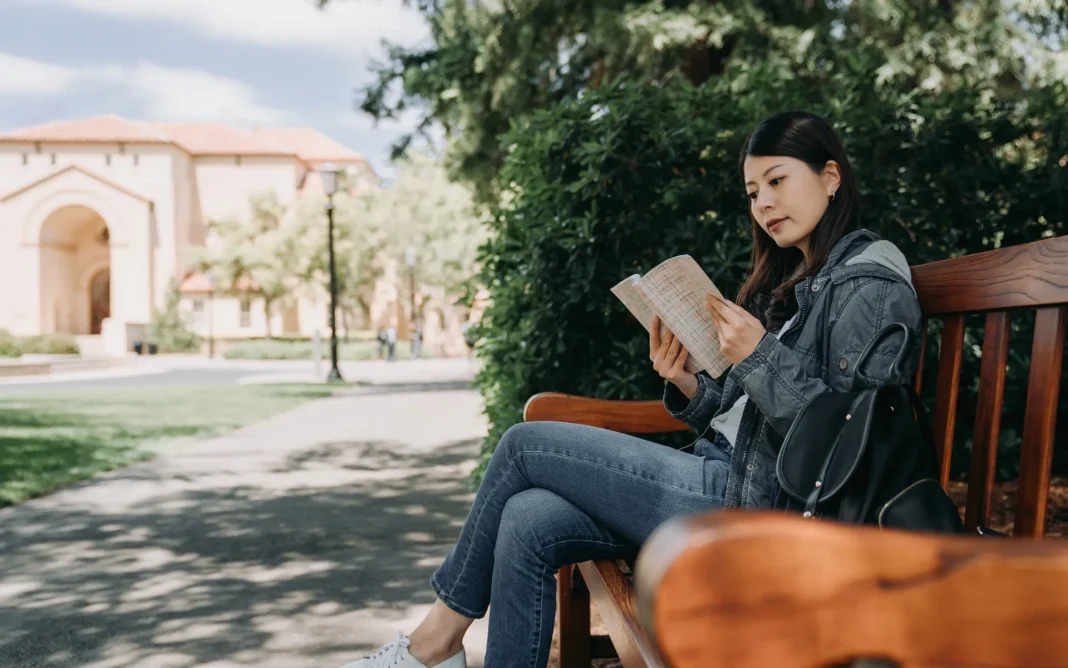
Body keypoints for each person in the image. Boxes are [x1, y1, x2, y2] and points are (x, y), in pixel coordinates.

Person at [338, 111, 923, 668]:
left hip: (762, 512)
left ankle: (434, 644)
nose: (763, 202)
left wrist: (760, 356)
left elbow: (847, 443)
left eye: (776, 180)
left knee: (522, 444)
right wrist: (690, 382)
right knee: (528, 517)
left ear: (830, 176)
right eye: (751, 192)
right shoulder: (802, 275)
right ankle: (442, 647)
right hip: (728, 478)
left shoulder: (867, 280)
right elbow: (753, 415)